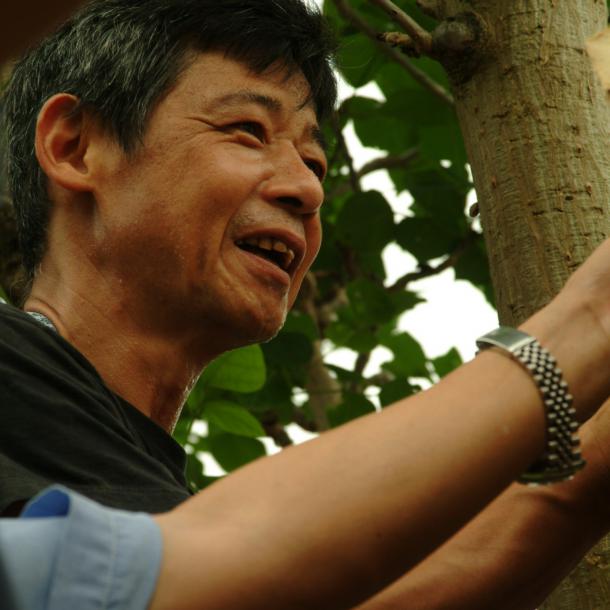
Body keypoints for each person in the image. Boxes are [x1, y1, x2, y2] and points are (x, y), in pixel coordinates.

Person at [1, 1, 610, 609]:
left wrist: (591, 473)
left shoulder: (162, 511)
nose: (308, 189)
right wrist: (591, 320)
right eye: (247, 131)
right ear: (75, 147)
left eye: (314, 162)